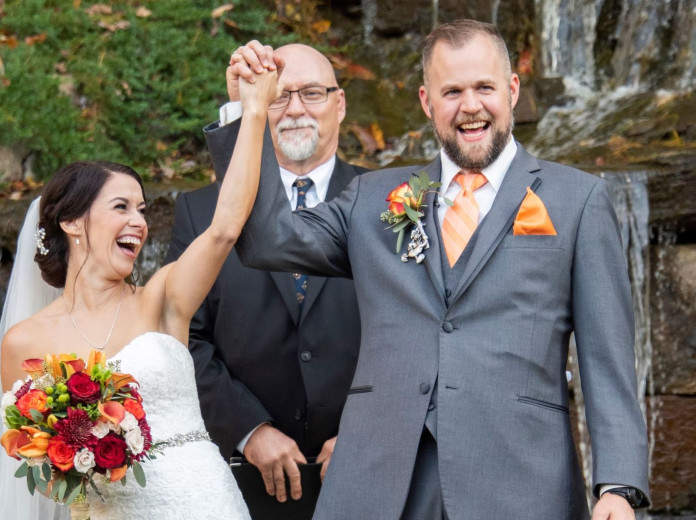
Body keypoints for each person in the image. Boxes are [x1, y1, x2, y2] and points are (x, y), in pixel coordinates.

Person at [206, 20, 650, 520]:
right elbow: (266, 238)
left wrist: (618, 485)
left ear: (512, 90)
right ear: (426, 101)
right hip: (376, 482)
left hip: (518, 480)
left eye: (484, 87)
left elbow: (607, 358)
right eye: (452, 91)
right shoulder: (373, 198)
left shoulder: (579, 200)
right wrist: (246, 113)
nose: (471, 106)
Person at [0, 66, 280, 519]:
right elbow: (34, 466)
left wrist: (252, 112)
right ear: (72, 223)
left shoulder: (162, 298)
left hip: (204, 502)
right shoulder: (24, 342)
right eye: (121, 207)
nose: (140, 221)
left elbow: (224, 229)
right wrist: (78, 453)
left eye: (142, 209)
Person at [164, 43, 367, 508]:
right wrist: (248, 431)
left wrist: (368, 428)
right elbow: (181, 337)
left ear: (340, 104)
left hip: (366, 474)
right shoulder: (201, 213)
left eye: (312, 93)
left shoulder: (389, 202)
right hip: (242, 483)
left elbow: (412, 333)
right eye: (279, 95)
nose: (295, 109)